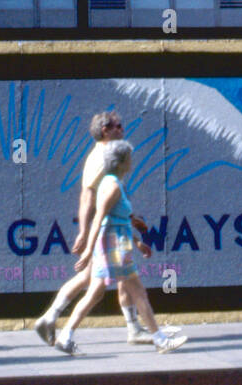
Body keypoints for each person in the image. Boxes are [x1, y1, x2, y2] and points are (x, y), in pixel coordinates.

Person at [32, 110, 174, 347]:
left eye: (121, 125)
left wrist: (130, 222)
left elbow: (110, 203)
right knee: (94, 282)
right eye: (117, 126)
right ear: (105, 129)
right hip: (106, 235)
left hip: (113, 231)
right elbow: (89, 199)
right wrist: (85, 233)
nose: (122, 129)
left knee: (114, 280)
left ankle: (133, 329)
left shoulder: (111, 158)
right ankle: (54, 321)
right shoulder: (100, 159)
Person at [56, 140, 187, 355]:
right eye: (130, 158)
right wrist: (89, 250)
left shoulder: (111, 182)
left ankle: (66, 336)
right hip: (113, 245)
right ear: (122, 161)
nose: (132, 162)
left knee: (104, 293)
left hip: (116, 243)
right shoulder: (113, 186)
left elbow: (119, 219)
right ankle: (160, 340)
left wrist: (136, 242)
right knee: (128, 292)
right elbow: (99, 218)